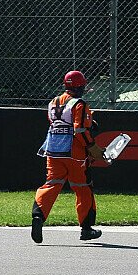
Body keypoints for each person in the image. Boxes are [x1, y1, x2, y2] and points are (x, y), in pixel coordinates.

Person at [31, 70, 106, 243]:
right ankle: (86, 229)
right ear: (80, 86)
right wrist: (92, 147)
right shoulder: (79, 103)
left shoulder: (52, 102)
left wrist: (89, 123)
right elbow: (79, 130)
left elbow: (58, 123)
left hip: (53, 150)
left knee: (51, 184)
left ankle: (38, 216)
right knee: (83, 187)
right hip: (74, 153)